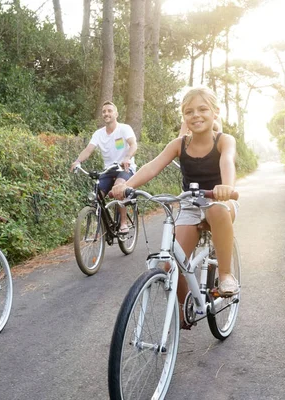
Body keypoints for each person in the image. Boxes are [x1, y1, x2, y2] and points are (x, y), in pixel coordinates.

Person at [113, 86, 239, 326]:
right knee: (173, 263)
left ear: (215, 112)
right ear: (184, 117)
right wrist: (126, 185)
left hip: (220, 200)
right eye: (189, 111)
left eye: (203, 109)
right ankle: (183, 308)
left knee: (216, 209)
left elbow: (227, 161)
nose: (196, 115)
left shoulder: (224, 140)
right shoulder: (179, 144)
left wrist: (227, 187)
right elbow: (152, 166)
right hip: (190, 204)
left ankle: (225, 274)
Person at [70, 101, 138, 233]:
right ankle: (102, 225)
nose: (106, 113)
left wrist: (127, 157)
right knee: (96, 196)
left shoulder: (124, 128)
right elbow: (88, 150)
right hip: (109, 170)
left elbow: (133, 144)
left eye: (109, 111)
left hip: (124, 168)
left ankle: (123, 223)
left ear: (116, 114)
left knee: (119, 188)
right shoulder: (98, 134)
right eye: (104, 111)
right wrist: (77, 161)